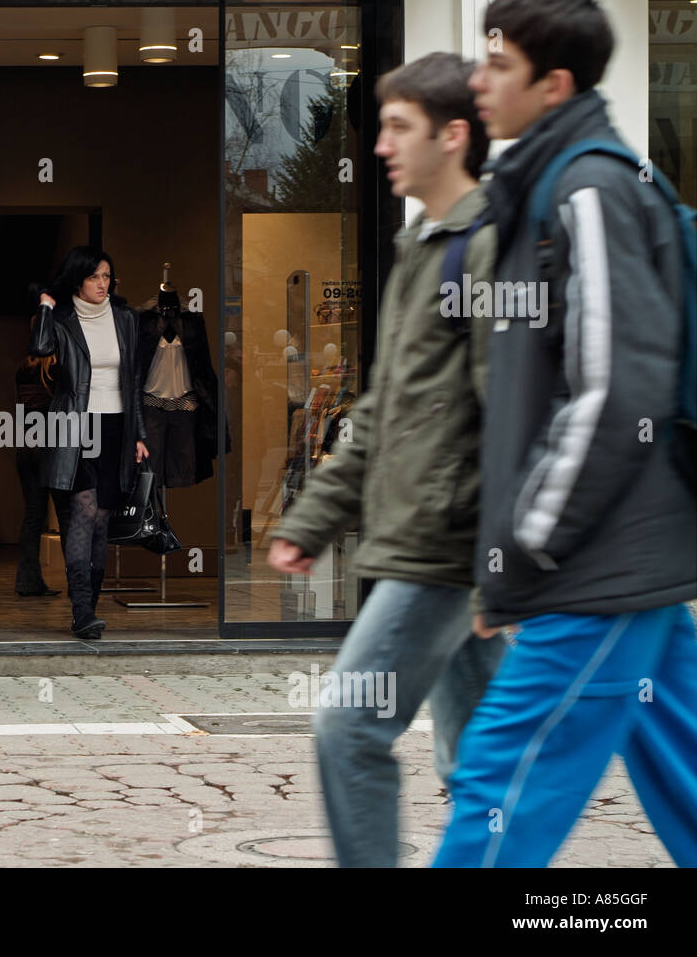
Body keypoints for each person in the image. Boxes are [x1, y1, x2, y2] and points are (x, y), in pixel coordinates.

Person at [434, 0, 697, 867]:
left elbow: (616, 387)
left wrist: (532, 536)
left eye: (497, 66)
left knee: (499, 787)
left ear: (553, 85)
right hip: (631, 561)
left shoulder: (587, 189)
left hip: (595, 566)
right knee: (684, 773)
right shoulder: (547, 185)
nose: (478, 81)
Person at [267, 53, 504, 867]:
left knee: (348, 725)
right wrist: (316, 515)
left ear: (455, 135)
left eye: (399, 126)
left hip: (443, 549)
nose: (380, 145)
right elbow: (381, 409)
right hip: (428, 539)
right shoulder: (419, 249)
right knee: (479, 761)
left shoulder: (488, 249)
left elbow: (511, 416)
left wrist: (500, 565)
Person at [31, 246, 149, 638]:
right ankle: (81, 611)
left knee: (101, 521)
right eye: (95, 277)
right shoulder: (63, 320)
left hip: (116, 427)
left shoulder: (126, 319)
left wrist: (139, 435)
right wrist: (46, 307)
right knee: (82, 513)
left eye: (107, 276)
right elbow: (41, 348)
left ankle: (89, 609)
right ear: (77, 281)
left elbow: (132, 382)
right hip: (74, 427)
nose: (103, 284)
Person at [13, 353, 70, 596]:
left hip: (27, 445)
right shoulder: (58, 369)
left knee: (33, 516)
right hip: (53, 446)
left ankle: (27, 582)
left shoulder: (23, 368)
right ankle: (77, 584)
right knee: (67, 515)